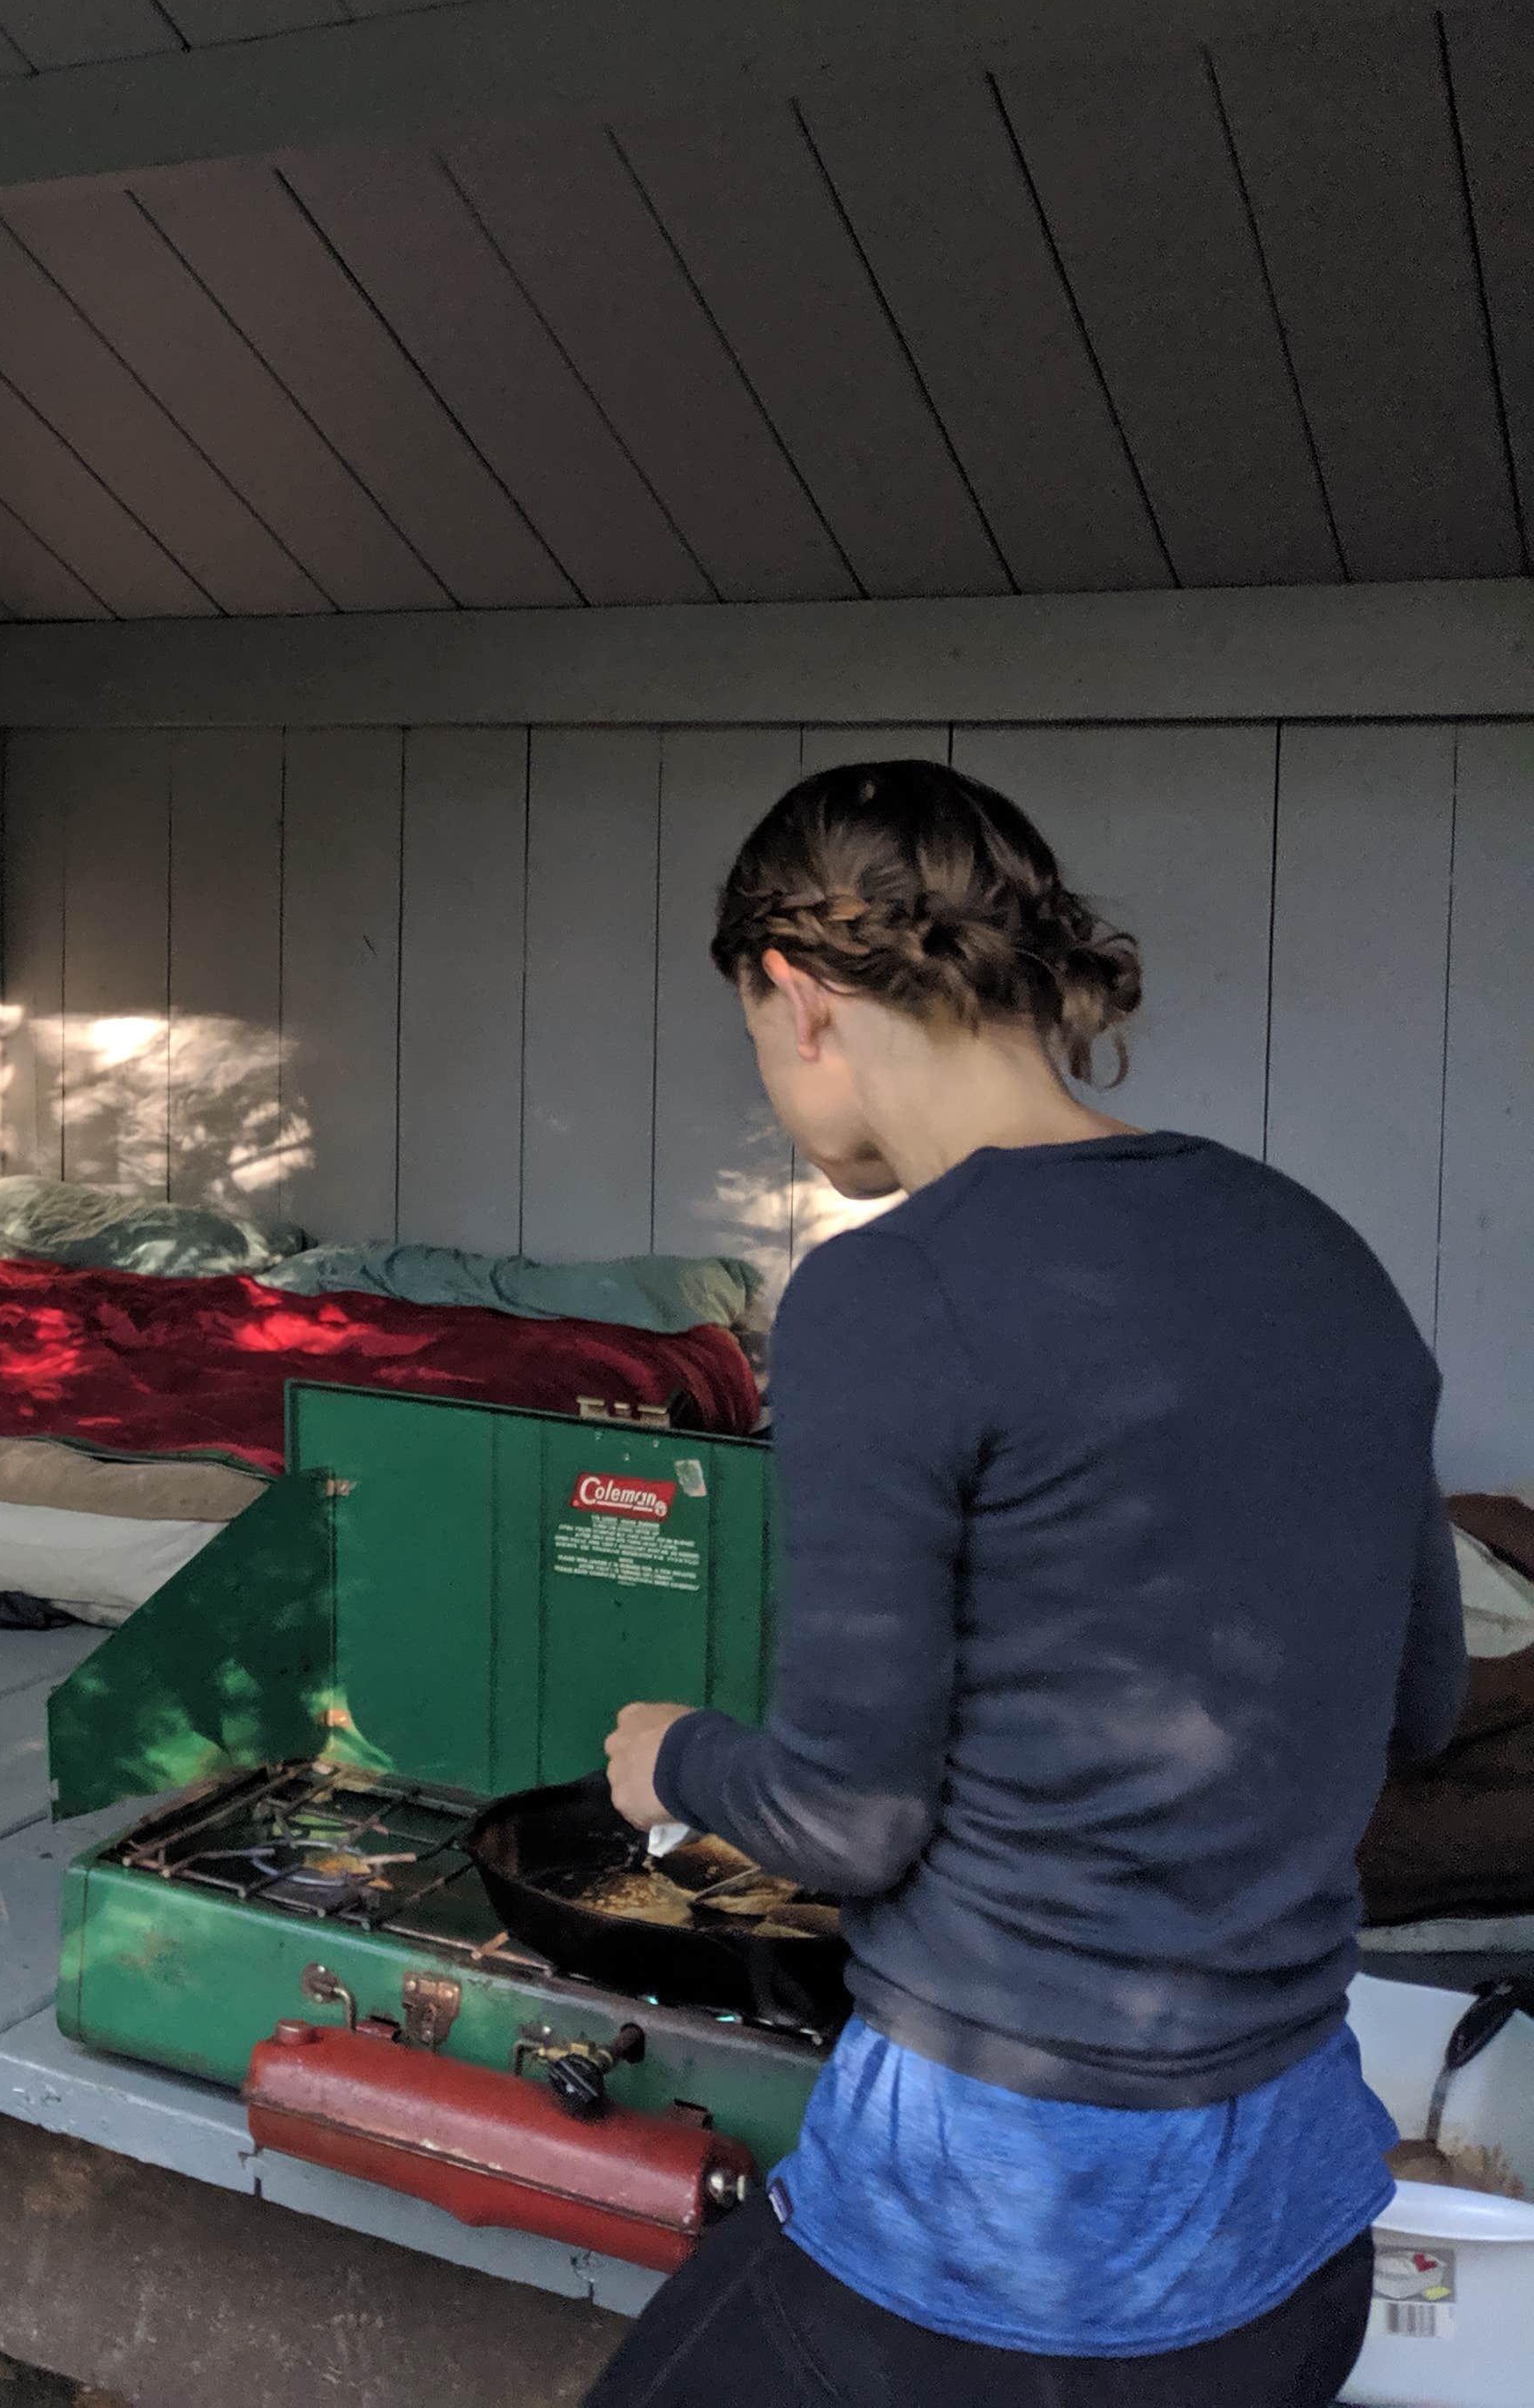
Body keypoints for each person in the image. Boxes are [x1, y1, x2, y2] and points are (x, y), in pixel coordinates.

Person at [585, 759, 1463, 2408]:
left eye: (755, 1036)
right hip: (1294, 2211)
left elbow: (851, 1821)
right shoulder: (1314, 1247)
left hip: (1006, 2242)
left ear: (797, 995)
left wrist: (679, 1756)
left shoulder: (890, 1290)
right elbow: (1416, 1703)